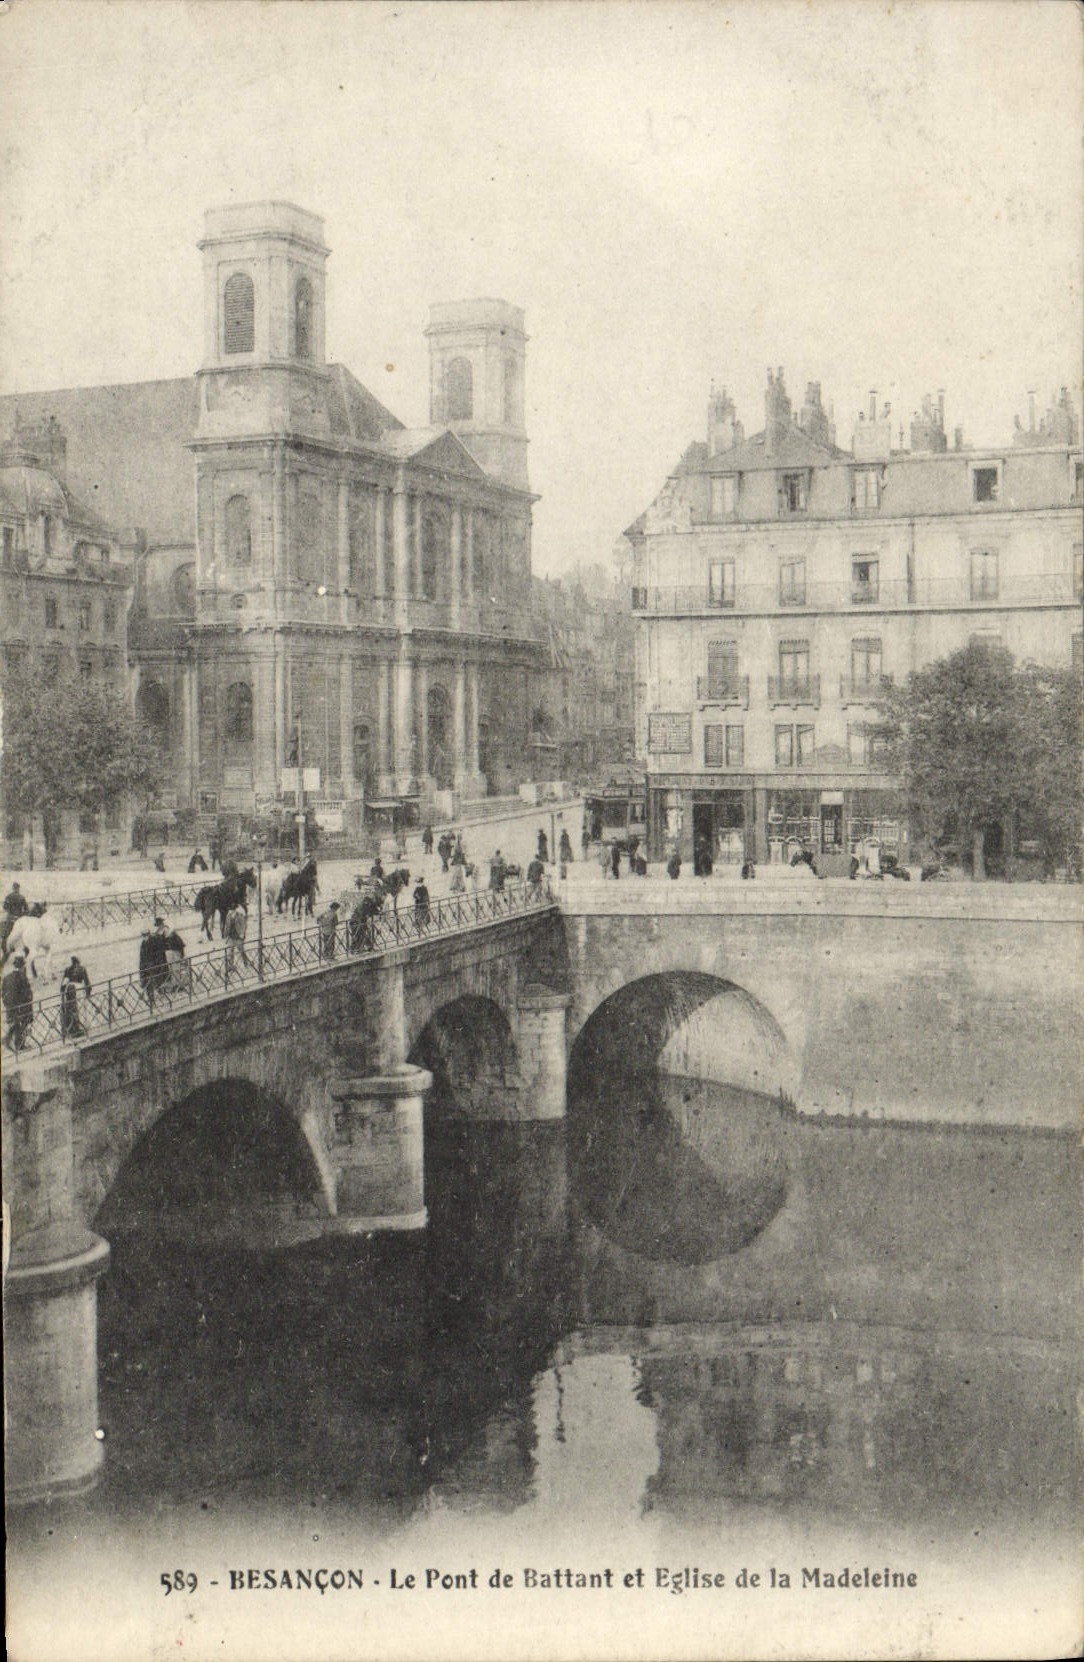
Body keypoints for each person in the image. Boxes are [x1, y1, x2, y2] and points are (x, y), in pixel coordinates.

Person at [3, 953, 33, 1052]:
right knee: (21, 1026)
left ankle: (8, 1041)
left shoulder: (6, 977)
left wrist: (7, 1004)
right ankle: (20, 1045)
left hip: (9, 1007)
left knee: (14, 1025)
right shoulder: (22, 977)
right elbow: (27, 994)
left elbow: (2, 993)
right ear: (22, 966)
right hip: (20, 1007)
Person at [60, 956, 91, 1038]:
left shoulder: (67, 969)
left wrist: (63, 993)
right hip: (78, 989)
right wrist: (88, 993)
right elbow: (87, 983)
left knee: (70, 1009)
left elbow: (63, 984)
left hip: (69, 990)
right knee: (79, 1008)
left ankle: (70, 1028)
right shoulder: (82, 969)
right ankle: (79, 1027)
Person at [2, 881, 29, 956]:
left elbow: (4, 907)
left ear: (13, 888)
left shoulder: (8, 896)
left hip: (10, 917)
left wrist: (10, 913)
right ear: (18, 888)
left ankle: (6, 949)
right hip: (19, 919)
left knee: (6, 933)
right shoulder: (22, 897)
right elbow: (26, 909)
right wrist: (21, 915)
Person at [223, 903, 251, 974]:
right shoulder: (228, 916)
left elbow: (244, 925)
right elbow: (226, 926)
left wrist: (242, 934)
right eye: (230, 910)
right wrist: (225, 935)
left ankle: (246, 963)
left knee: (241, 951)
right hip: (231, 937)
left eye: (231, 910)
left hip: (238, 937)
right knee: (230, 952)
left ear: (234, 910)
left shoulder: (239, 916)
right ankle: (230, 966)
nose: (230, 912)